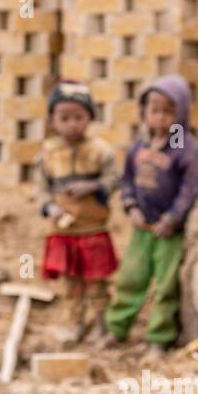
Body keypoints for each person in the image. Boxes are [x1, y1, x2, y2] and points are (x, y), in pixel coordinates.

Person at [105, 75, 198, 351]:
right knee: (130, 279)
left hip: (167, 231)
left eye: (168, 111)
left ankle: (159, 339)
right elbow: (126, 180)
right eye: (154, 110)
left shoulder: (184, 148)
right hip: (142, 227)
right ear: (144, 112)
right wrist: (131, 206)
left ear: (181, 113)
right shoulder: (140, 144)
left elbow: (190, 189)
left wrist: (173, 217)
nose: (160, 118)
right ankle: (117, 328)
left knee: (166, 285)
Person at [35, 81, 119, 343]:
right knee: (71, 283)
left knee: (97, 282)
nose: (72, 123)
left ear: (90, 117)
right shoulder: (48, 154)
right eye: (64, 118)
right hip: (63, 231)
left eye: (79, 117)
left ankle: (102, 327)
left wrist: (93, 186)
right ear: (52, 120)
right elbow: (41, 190)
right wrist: (51, 209)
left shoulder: (100, 151)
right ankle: (76, 324)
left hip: (92, 229)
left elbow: (114, 179)